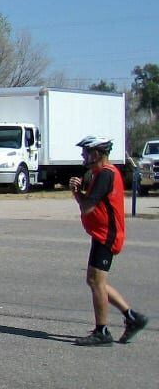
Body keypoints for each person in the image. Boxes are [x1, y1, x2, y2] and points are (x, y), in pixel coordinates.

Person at [69, 135, 146, 345]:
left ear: (96, 154)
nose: (83, 156)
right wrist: (79, 192)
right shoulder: (99, 174)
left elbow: (87, 207)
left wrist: (76, 193)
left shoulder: (105, 175)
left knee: (96, 282)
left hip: (107, 236)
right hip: (102, 234)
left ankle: (102, 331)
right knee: (95, 281)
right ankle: (132, 317)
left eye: (86, 152)